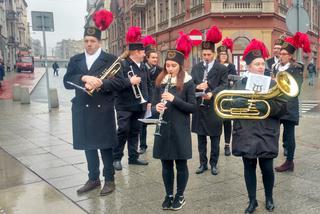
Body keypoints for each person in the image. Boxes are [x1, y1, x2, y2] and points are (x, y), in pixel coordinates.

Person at [63, 13, 124, 196]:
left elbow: (120, 83)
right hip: (82, 109)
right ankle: (93, 179)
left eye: (92, 41)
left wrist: (101, 82)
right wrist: (83, 77)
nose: (89, 44)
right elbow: (67, 81)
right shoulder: (76, 60)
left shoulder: (111, 59)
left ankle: (110, 180)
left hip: (102, 109)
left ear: (99, 42)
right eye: (86, 40)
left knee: (105, 147)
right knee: (88, 146)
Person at [229, 39, 287, 213]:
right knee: (249, 168)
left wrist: (268, 107)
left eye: (262, 63)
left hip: (266, 132)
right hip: (245, 133)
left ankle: (269, 197)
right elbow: (229, 106)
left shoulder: (273, 83)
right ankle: (252, 200)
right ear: (248, 67)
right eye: (257, 64)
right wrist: (236, 103)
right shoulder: (239, 84)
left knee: (267, 168)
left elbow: (284, 107)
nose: (261, 67)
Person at [153, 32, 196, 211]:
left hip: (180, 128)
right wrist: (156, 108)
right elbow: (155, 102)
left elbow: (192, 107)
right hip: (163, 129)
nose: (170, 68)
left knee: (180, 163)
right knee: (166, 164)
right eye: (168, 65)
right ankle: (168, 194)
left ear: (180, 66)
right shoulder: (160, 81)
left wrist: (174, 99)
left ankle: (180, 195)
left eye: (173, 65)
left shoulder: (188, 82)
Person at [113, 26, 152, 171]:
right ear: (136, 52)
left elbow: (149, 85)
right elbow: (115, 84)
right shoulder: (122, 65)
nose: (144, 54)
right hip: (124, 105)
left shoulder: (143, 67)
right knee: (123, 130)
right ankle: (116, 158)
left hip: (139, 105)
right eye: (143, 52)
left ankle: (133, 157)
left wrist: (148, 101)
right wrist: (130, 82)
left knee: (135, 131)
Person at [191, 26, 228, 175]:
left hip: (213, 107)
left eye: (208, 54)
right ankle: (202, 163)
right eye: (204, 54)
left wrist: (212, 91)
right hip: (200, 107)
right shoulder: (196, 68)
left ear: (213, 54)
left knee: (214, 138)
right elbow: (190, 84)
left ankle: (214, 164)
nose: (206, 57)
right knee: (201, 139)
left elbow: (224, 85)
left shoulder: (221, 68)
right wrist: (196, 86)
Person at [274, 32, 311, 172]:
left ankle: (289, 161)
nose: (281, 55)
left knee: (289, 135)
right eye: (281, 53)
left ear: (290, 56)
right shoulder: (275, 67)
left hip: (289, 106)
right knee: (275, 132)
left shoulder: (296, 68)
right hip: (276, 105)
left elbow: (296, 88)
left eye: (284, 54)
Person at [138, 35, 162, 154]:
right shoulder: (141, 69)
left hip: (157, 99)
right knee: (143, 123)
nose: (155, 60)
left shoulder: (160, 70)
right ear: (147, 58)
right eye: (153, 58)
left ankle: (160, 142)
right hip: (145, 99)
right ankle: (143, 145)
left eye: (156, 58)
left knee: (160, 121)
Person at [216, 37, 237, 156]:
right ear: (218, 55)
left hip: (228, 96)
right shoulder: (215, 66)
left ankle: (227, 145)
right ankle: (217, 144)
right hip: (217, 96)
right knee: (217, 121)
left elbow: (235, 79)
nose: (223, 56)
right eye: (221, 54)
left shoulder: (231, 66)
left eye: (225, 54)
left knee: (227, 122)